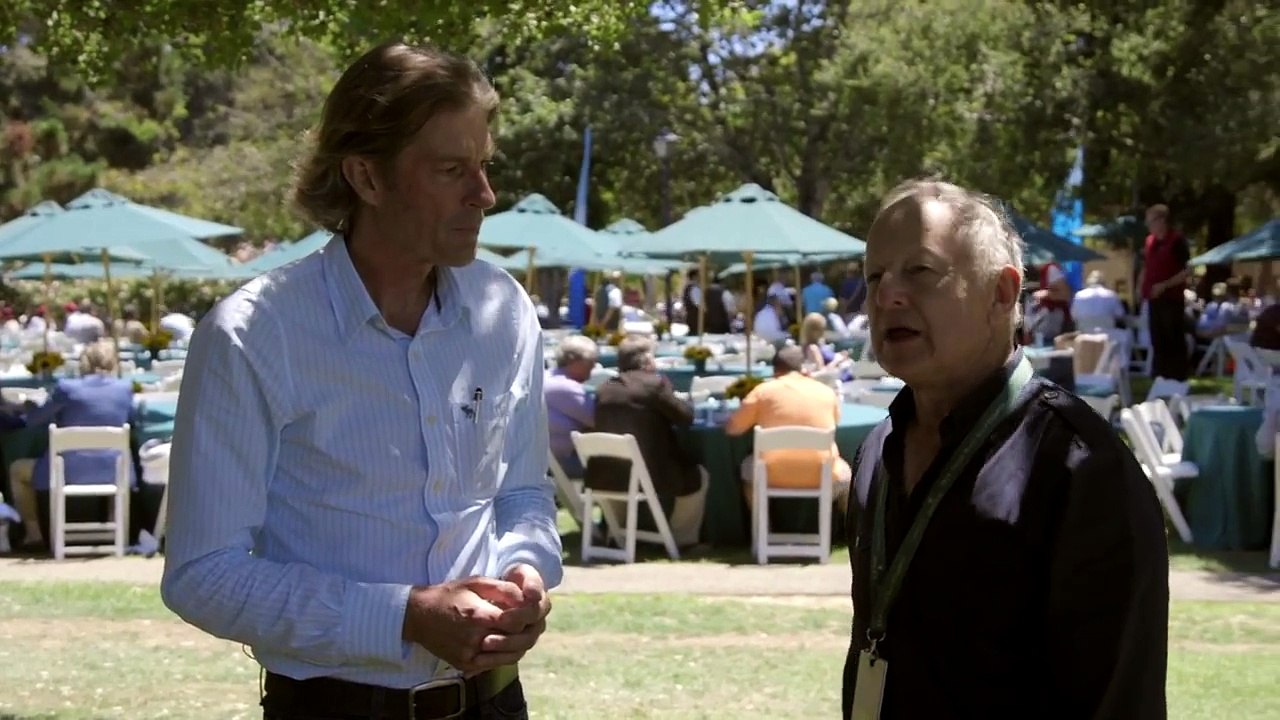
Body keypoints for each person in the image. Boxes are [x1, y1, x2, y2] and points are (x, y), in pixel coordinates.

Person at [160, 42, 559, 720]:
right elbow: (202, 574)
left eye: (484, 165)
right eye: (451, 170)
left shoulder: (503, 311)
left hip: (496, 703)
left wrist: (525, 570)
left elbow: (522, 493)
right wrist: (403, 616)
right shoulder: (256, 333)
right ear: (366, 178)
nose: (484, 195)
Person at [843, 179, 1168, 719]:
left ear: (1002, 293)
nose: (886, 296)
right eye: (875, 276)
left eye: (920, 271)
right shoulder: (878, 449)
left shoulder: (1083, 471)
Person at [7, 340, 139, 553]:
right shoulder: (125, 388)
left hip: (68, 472)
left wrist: (26, 408)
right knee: (117, 459)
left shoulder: (66, 388)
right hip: (114, 471)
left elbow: (34, 420)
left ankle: (34, 535)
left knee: (17, 470)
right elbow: (134, 420)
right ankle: (117, 532)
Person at [588, 335, 707, 547]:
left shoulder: (603, 389)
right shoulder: (654, 384)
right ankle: (683, 540)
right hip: (650, 475)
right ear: (647, 360)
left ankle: (617, 535)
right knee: (699, 476)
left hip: (605, 474)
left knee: (620, 480)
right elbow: (685, 417)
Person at [725, 345, 851, 505]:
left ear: (775, 371)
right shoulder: (826, 391)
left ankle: (760, 519)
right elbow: (835, 421)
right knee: (849, 475)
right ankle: (852, 521)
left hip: (770, 478)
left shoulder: (762, 391)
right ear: (802, 368)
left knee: (746, 467)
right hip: (824, 477)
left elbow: (733, 429)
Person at [1139, 204, 1191, 379]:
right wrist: (1141, 286)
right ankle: (1160, 377)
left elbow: (1187, 271)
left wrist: (1165, 285)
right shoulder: (1149, 242)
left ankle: (1178, 378)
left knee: (1173, 339)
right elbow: (1147, 266)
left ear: (1162, 220)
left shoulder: (1177, 241)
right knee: (1157, 339)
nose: (1148, 225)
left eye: (1151, 221)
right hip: (1153, 299)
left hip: (1171, 299)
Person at [545, 335, 597, 477]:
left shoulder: (546, 377)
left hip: (542, 458)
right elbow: (598, 420)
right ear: (576, 362)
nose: (593, 367)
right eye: (591, 362)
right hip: (560, 462)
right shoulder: (567, 388)